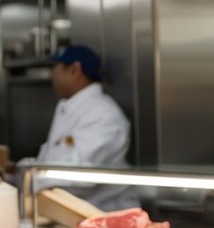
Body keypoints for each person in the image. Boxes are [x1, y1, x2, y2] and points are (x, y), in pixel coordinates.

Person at [28, 44, 137, 210]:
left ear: (75, 70)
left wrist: (29, 179)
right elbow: (53, 156)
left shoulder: (103, 114)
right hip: (73, 210)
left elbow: (80, 176)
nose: (52, 75)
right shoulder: (67, 106)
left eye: (55, 68)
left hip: (104, 212)